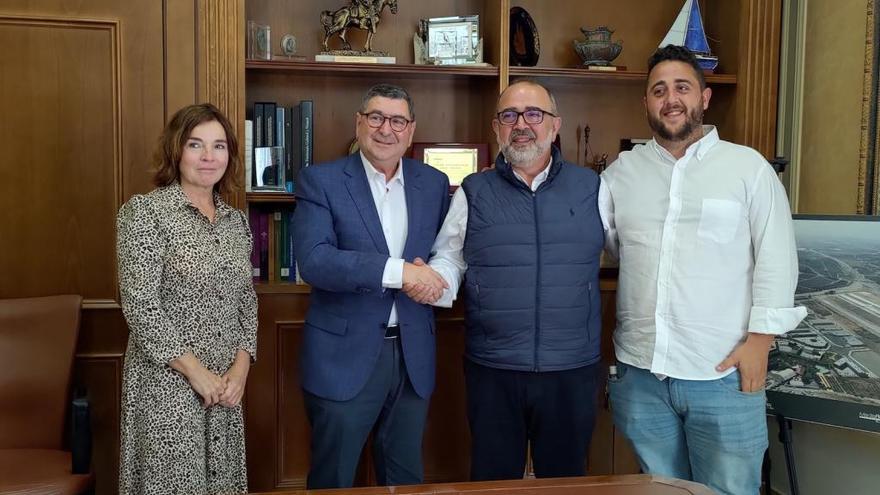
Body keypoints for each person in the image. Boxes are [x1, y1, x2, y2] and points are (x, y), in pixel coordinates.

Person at [599, 45, 807, 495]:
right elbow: (611, 249)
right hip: (641, 373)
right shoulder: (621, 175)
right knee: (659, 491)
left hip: (723, 372)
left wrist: (760, 341)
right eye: (659, 90)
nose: (670, 99)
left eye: (682, 88)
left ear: (705, 98)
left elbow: (777, 257)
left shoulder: (747, 168)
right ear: (646, 103)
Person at [414, 79, 605, 481]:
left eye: (534, 114)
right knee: (493, 480)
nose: (522, 124)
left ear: (555, 126)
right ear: (496, 128)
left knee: (565, 483)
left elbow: (630, 253)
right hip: (494, 369)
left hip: (570, 370)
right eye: (509, 115)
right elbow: (450, 259)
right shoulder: (473, 191)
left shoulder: (593, 188)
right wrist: (429, 280)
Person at [292, 83, 451, 489]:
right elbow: (315, 260)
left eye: (398, 120)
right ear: (359, 123)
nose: (387, 129)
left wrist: (434, 275)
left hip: (413, 354)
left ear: (411, 130)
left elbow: (447, 252)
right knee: (334, 477)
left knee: (404, 478)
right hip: (343, 357)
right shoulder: (320, 181)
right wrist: (401, 272)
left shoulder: (433, 184)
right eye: (376, 117)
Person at [116, 103, 258, 495]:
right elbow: (140, 305)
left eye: (219, 146)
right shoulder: (146, 213)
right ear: (176, 151)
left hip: (226, 384)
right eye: (196, 145)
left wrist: (241, 368)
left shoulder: (235, 222)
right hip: (169, 383)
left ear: (230, 155)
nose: (209, 157)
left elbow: (246, 299)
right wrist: (196, 372)